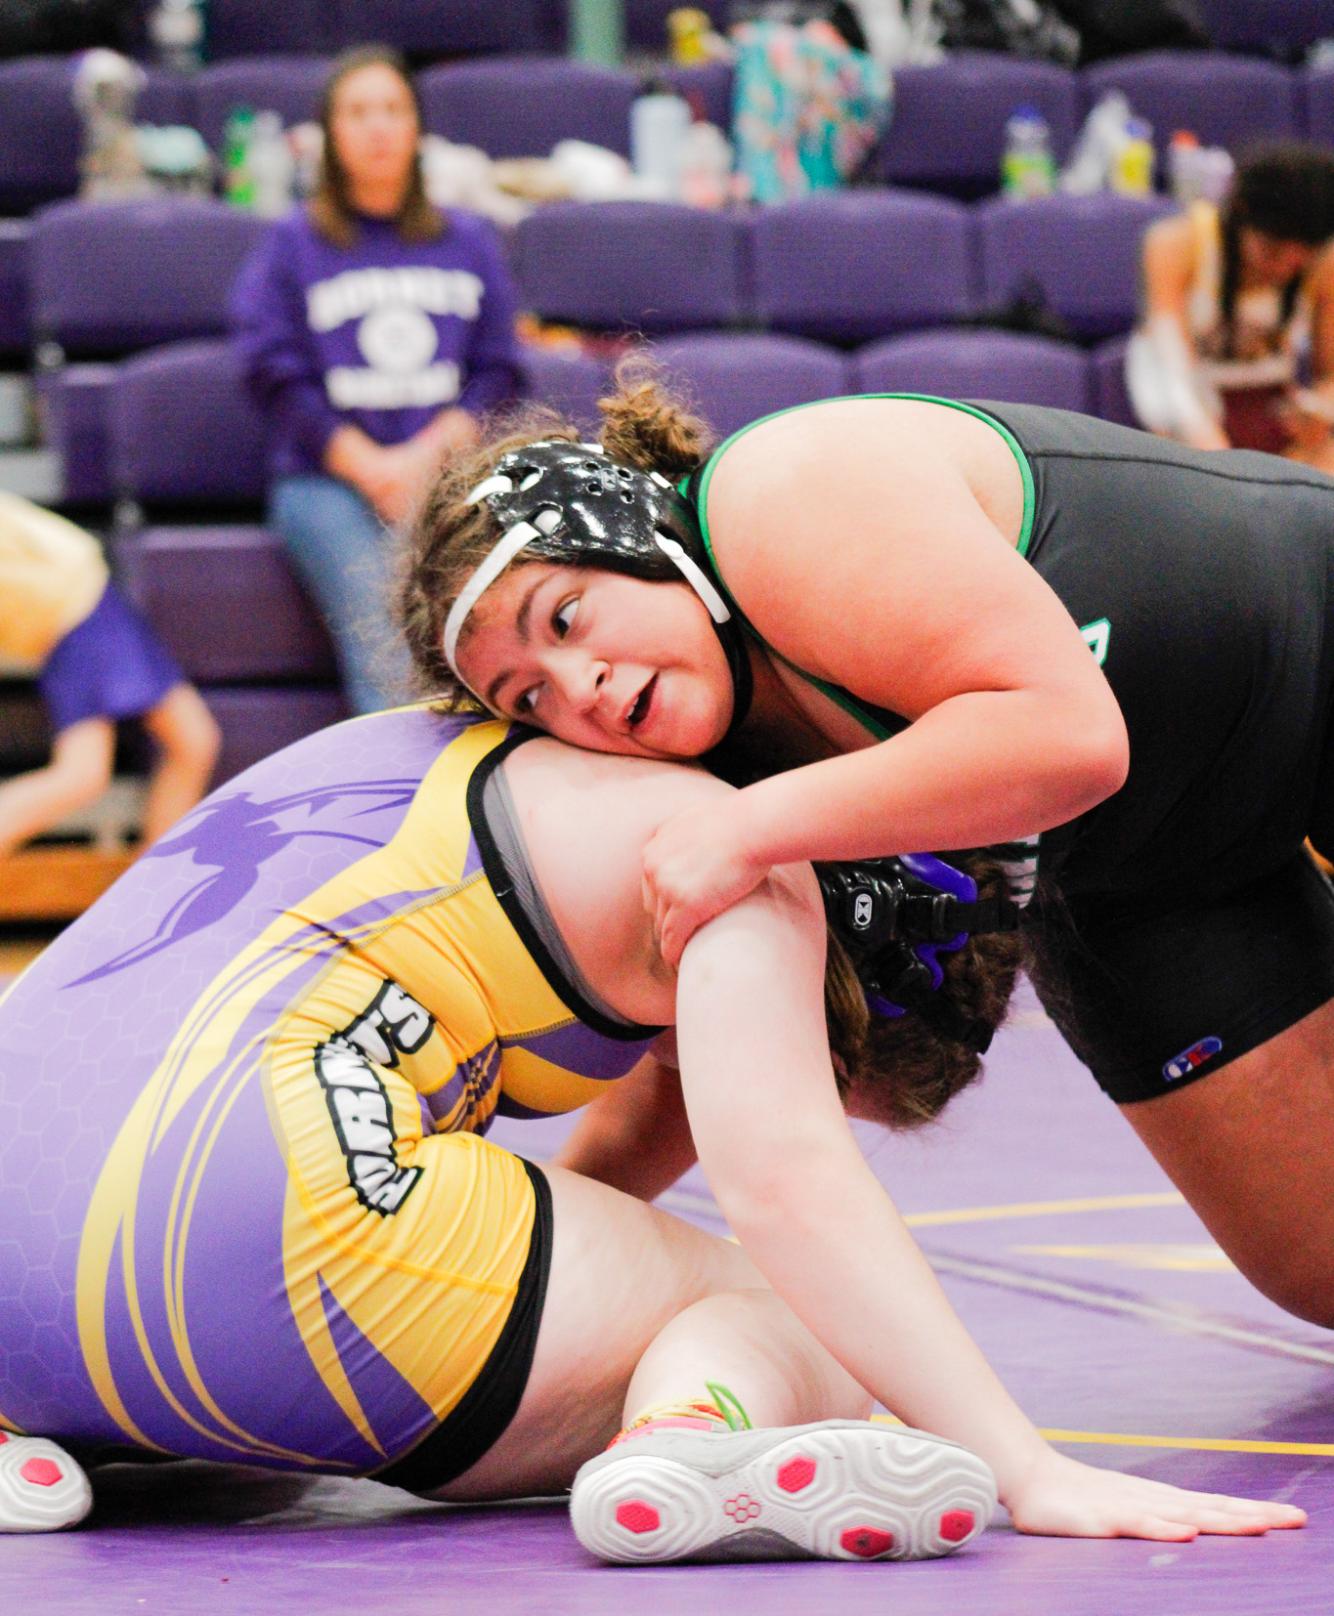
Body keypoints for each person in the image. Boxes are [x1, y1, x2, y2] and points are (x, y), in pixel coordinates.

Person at [0, 704, 1297, 1550]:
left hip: (20, 1245)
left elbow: (605, 1187)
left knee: (231, 1416)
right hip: (251, 1230)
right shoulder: (738, 868)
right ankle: (693, 1435)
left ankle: (28, 1436)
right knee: (806, 1311)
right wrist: (1019, 1464)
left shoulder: (443, 742)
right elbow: (781, 1180)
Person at [403, 375, 1334, 1343]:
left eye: (563, 619)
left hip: (1303, 648)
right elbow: (714, 1062)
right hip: (1146, 876)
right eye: (526, 700)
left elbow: (1071, 740)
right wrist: (523, 1253)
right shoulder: (701, 771)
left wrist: (753, 827)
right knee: (1316, 1265)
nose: (575, 689)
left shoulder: (779, 496)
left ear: (642, 542)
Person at [230, 44, 523, 716]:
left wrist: (424, 458)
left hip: (447, 473)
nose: (378, 126)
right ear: (330, 134)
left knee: (491, 631)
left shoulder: (469, 239)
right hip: (325, 482)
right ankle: (406, 813)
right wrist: (369, 467)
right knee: (390, 639)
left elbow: (499, 367)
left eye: (393, 109)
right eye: (358, 112)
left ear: (418, 127)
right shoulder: (292, 244)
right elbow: (271, 371)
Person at [0, 492, 219, 859]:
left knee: (192, 740)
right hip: (74, 612)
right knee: (83, 774)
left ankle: (153, 892)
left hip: (90, 599)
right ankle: (152, 895)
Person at [1128, 143, 1334, 463]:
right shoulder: (1178, 242)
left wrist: (1319, 407)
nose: (1281, 269)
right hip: (1185, 399)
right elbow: (1171, 366)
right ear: (1239, 217)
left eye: (1298, 264)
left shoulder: (1323, 264)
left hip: (1269, 405)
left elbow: (1329, 378)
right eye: (1271, 252)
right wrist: (1213, 451)